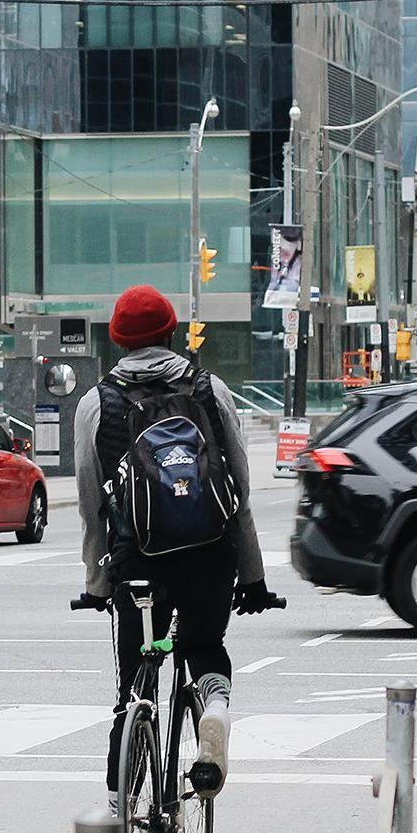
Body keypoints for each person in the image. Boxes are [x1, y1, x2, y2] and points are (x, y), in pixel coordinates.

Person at [74, 283, 278, 805]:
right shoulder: (210, 390)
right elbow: (239, 490)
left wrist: (98, 584)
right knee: (204, 647)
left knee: (134, 681)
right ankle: (212, 707)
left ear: (116, 341)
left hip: (137, 561)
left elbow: (92, 506)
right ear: (171, 332)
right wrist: (252, 578)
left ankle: (124, 800)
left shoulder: (97, 403)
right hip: (210, 554)